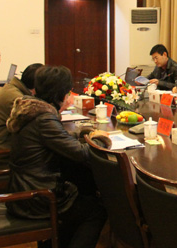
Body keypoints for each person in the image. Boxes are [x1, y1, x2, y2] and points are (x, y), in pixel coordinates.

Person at [6, 65, 109, 248]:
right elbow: (82, 153)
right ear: (61, 94)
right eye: (68, 92)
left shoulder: (31, 109)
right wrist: (100, 140)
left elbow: (57, 139)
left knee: (83, 183)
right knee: (96, 209)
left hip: (25, 187)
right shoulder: (44, 118)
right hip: (38, 196)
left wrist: (82, 134)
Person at [0, 63, 43, 171]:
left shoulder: (11, 88)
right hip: (2, 158)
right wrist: (58, 109)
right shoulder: (17, 98)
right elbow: (40, 125)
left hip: (2, 149)